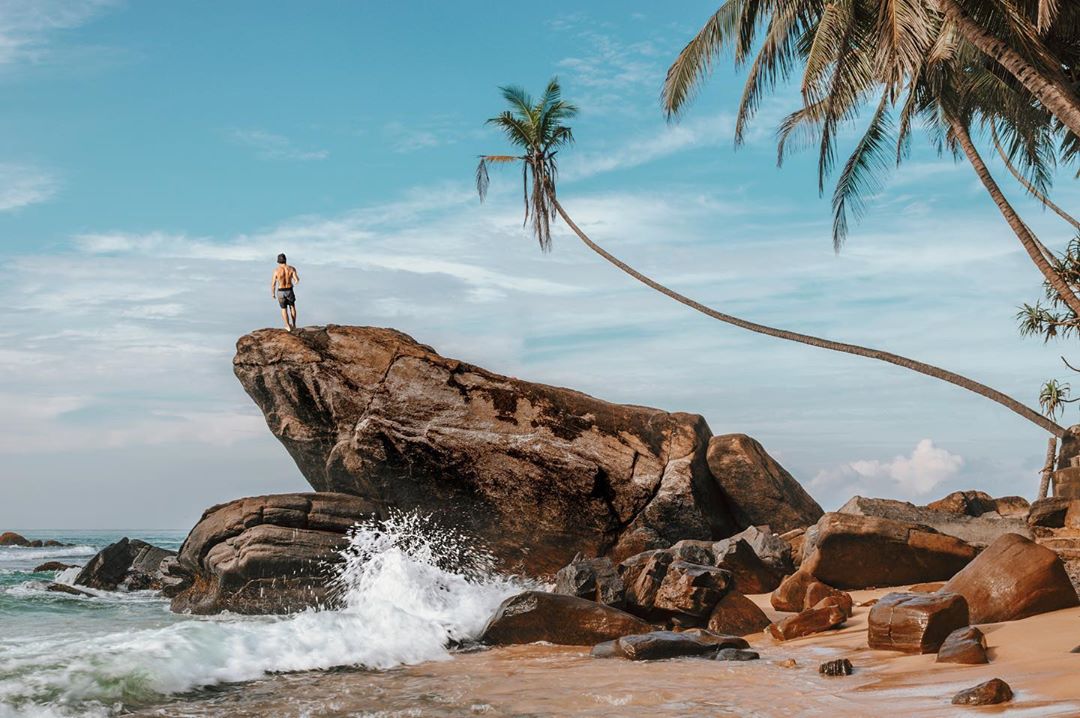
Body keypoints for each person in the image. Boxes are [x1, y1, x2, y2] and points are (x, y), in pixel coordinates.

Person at [271, 253, 299, 331]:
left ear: (278, 261)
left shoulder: (276, 271)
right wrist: (296, 281)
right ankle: (294, 325)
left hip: (281, 291)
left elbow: (273, 284)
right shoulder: (291, 268)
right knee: (292, 307)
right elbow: (296, 279)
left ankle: (287, 326)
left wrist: (273, 293)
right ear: (285, 260)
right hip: (289, 290)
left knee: (284, 309)